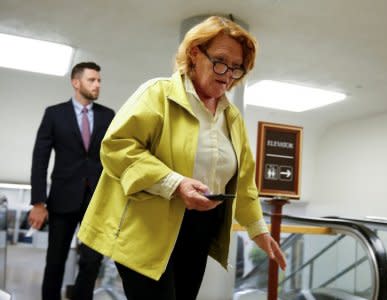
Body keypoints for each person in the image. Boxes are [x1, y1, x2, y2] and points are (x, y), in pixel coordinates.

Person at [77, 16, 286, 300]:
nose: (227, 73)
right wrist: (175, 184)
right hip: (147, 228)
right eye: (221, 61)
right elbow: (117, 147)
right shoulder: (158, 93)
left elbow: (244, 182)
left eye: (237, 68)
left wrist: (257, 229)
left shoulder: (232, 118)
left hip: (198, 230)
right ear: (194, 54)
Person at [28, 62, 115, 300]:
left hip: (96, 201)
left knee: (92, 260)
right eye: (91, 80)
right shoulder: (54, 114)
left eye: (99, 80)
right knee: (55, 261)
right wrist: (38, 202)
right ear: (76, 82)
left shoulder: (108, 116)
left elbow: (115, 158)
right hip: (62, 199)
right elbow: (40, 160)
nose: (97, 85)